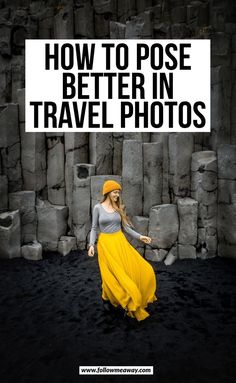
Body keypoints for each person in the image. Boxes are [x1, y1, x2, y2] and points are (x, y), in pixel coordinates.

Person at [87, 179, 158, 321]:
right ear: (107, 192)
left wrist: (140, 237)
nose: (117, 195)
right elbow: (94, 228)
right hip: (105, 245)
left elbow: (125, 228)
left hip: (120, 242)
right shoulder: (97, 208)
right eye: (115, 192)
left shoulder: (119, 208)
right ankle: (109, 299)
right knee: (109, 275)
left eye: (118, 192)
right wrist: (91, 245)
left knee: (137, 270)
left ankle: (119, 299)